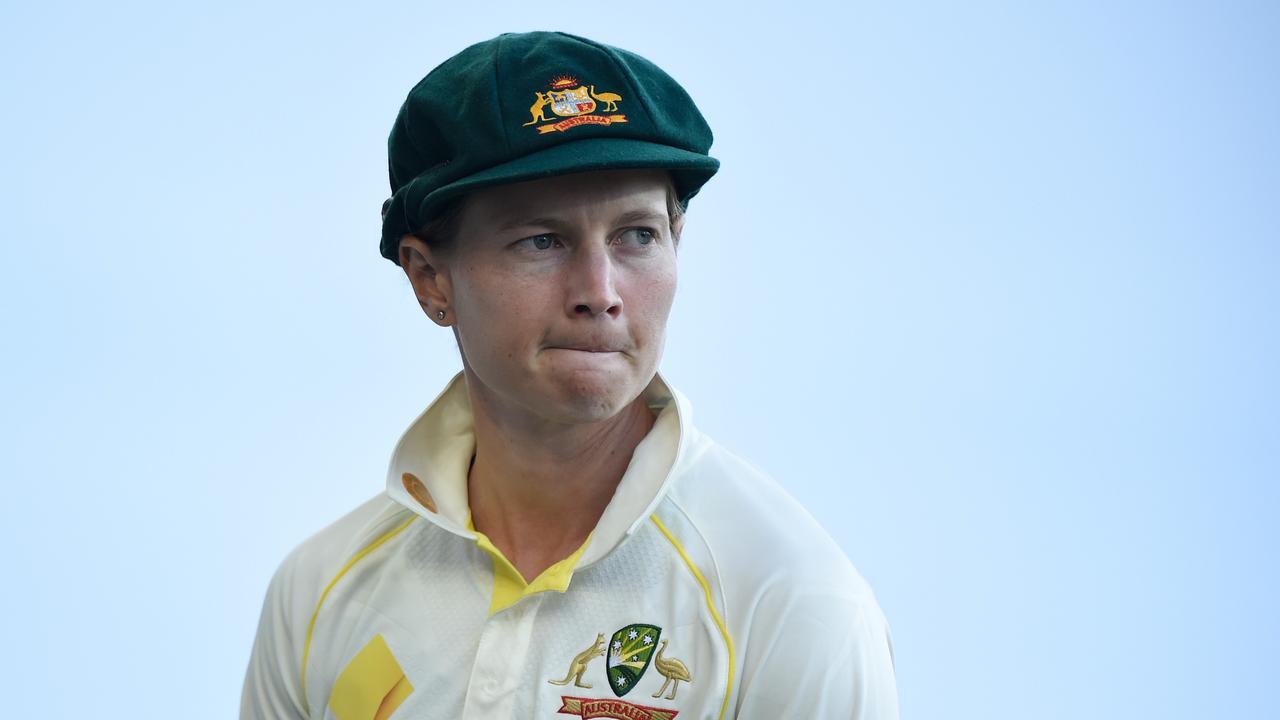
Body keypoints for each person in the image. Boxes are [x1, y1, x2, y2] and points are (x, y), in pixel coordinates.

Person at [241, 30, 899, 720]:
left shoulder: (789, 600)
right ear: (429, 277)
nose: (600, 290)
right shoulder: (319, 591)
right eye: (542, 240)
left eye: (638, 235)